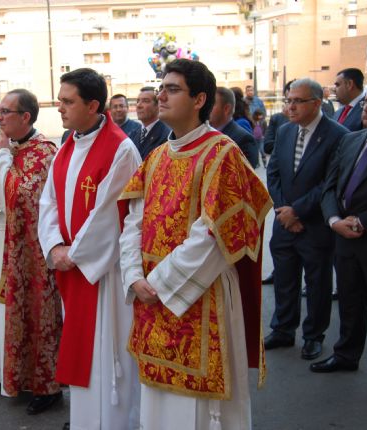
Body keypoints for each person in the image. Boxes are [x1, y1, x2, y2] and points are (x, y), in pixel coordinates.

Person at [119, 59, 271, 429]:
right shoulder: (155, 158)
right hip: (152, 295)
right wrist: (133, 275)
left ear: (200, 98)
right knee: (158, 405)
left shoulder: (223, 154)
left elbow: (214, 235)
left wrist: (157, 282)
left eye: (172, 89)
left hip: (201, 296)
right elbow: (132, 223)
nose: (161, 96)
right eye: (161, 88)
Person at [38, 68, 141, 430]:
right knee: (82, 348)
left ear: (93, 104)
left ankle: (111, 421)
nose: (60, 109)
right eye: (60, 101)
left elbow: (113, 214)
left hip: (104, 270)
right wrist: (53, 246)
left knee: (105, 350)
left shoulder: (120, 148)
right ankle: (85, 420)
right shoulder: (68, 142)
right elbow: (48, 201)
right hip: (74, 265)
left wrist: (74, 254)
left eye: (68, 102)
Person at [0, 88, 63, 413]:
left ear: (25, 117)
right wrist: (3, 161)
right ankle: (16, 377)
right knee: (14, 315)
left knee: (38, 315)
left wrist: (1, 159)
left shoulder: (44, 152)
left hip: (35, 253)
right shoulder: (8, 149)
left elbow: (21, 196)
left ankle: (47, 386)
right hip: (8, 242)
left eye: (4, 112)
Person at [264, 78, 349, 361]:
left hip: (314, 224)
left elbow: (330, 183)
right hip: (284, 222)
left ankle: (314, 335)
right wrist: (284, 211)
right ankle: (284, 329)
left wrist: (297, 211)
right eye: (288, 100)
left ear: (316, 102)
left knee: (317, 283)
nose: (290, 106)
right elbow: (273, 173)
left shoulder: (338, 135)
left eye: (297, 101)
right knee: (285, 280)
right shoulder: (286, 131)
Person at [312, 82, 367, 403]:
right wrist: (333, 220)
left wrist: (364, 222)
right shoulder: (351, 140)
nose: (366, 108)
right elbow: (330, 187)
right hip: (344, 237)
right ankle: (346, 354)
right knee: (350, 303)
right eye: (366, 102)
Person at [209, 86, 259, 168]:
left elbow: (246, 176)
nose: (207, 108)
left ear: (226, 109)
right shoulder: (206, 134)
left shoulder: (243, 139)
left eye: (212, 104)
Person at [134, 86, 170, 159]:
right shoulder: (134, 133)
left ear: (158, 105)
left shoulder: (166, 135)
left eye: (145, 101)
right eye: (138, 101)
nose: (139, 105)